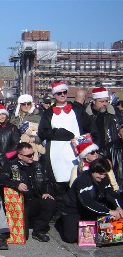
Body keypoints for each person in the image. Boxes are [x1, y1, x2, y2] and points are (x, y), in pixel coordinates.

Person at [38, 82, 98, 215]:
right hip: (56, 153)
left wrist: (87, 143)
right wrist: (60, 133)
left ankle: (79, 210)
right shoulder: (48, 113)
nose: (62, 95)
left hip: (76, 151)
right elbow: (42, 132)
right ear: (54, 95)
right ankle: (62, 213)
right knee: (59, 182)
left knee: (77, 178)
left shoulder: (77, 110)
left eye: (64, 92)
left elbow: (91, 128)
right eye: (59, 93)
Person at [0, 142, 56, 242]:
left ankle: (39, 231)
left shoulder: (37, 165)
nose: (32, 157)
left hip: (34, 199)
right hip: (20, 203)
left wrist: (46, 192)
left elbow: (47, 181)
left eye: (33, 154)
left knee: (49, 202)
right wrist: (16, 184)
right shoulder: (12, 166)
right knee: (23, 236)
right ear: (20, 156)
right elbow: (1, 179)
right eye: (29, 155)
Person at [62, 158, 123, 243]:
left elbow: (110, 194)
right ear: (93, 171)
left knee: (101, 231)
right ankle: (65, 222)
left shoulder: (104, 179)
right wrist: (109, 211)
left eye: (104, 174)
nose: (102, 177)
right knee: (71, 238)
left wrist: (118, 207)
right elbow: (87, 202)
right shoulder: (83, 180)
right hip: (74, 209)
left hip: (92, 208)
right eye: (100, 174)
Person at [85, 87, 121, 159]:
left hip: (111, 151)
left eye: (106, 101)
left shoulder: (115, 114)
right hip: (93, 152)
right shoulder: (86, 115)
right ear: (94, 101)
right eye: (101, 101)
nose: (104, 104)